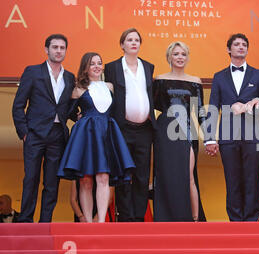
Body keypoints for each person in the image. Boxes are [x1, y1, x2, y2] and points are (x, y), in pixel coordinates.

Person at [205, 33, 259, 221]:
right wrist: (210, 138)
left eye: (244, 44)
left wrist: (249, 107)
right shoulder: (219, 77)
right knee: (232, 181)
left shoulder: (258, 74)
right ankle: (235, 223)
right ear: (229, 49)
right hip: (227, 136)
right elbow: (213, 108)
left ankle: (252, 220)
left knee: (252, 179)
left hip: (253, 135)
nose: (241, 47)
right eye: (236, 44)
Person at [57, 52, 135, 223]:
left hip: (107, 131)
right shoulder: (78, 89)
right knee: (85, 180)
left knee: (103, 177)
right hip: (86, 134)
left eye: (99, 63)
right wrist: (78, 117)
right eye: (92, 63)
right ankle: (89, 224)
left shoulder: (109, 86)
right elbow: (67, 112)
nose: (97, 66)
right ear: (85, 67)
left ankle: (100, 221)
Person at [12, 34, 76, 223]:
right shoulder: (33, 72)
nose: (58, 51)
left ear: (65, 51)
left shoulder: (69, 77)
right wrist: (24, 132)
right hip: (34, 134)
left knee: (51, 182)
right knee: (31, 178)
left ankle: (45, 222)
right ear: (46, 49)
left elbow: (67, 107)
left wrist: (80, 115)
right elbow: (18, 105)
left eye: (62, 48)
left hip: (58, 134)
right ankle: (25, 220)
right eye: (54, 47)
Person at [104, 28, 157, 222]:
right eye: (129, 40)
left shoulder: (148, 67)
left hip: (145, 129)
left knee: (142, 176)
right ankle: (125, 217)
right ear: (122, 45)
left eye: (136, 40)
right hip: (122, 129)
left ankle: (138, 217)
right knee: (124, 175)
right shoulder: (111, 67)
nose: (133, 43)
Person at [152, 41, 206, 222]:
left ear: (187, 57)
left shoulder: (195, 81)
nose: (180, 57)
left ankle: (195, 220)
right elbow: (150, 108)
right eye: (176, 54)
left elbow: (200, 112)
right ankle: (167, 218)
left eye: (183, 54)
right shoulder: (159, 79)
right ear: (169, 57)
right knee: (167, 176)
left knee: (188, 175)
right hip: (164, 130)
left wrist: (210, 138)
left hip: (187, 129)